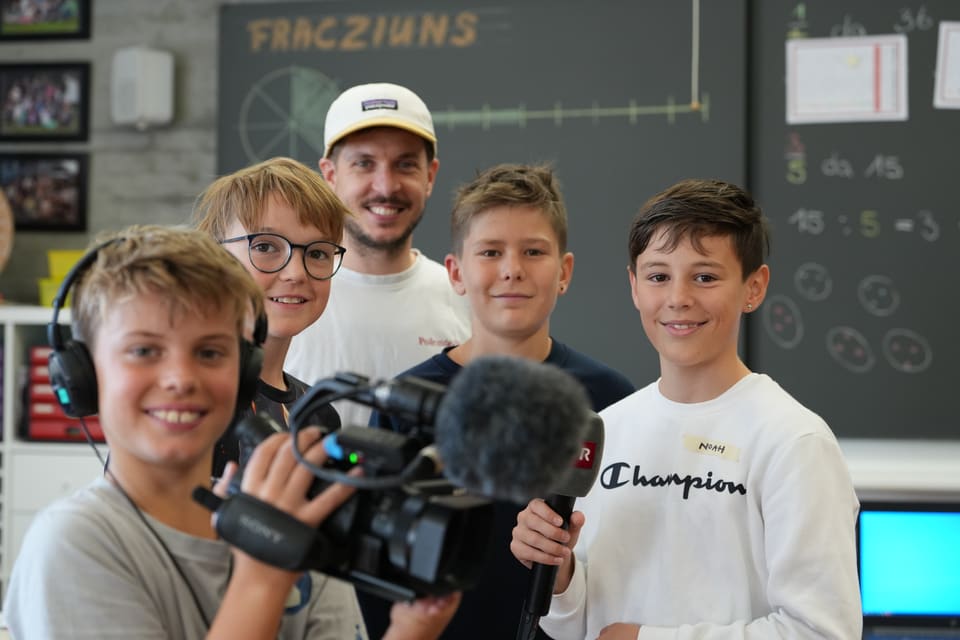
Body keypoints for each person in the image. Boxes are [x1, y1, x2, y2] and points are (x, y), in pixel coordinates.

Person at [2, 225, 459, 639]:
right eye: (144, 350)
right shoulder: (75, 542)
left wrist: (411, 631)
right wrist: (262, 577)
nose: (181, 377)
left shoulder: (293, 518)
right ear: (82, 377)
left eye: (210, 353)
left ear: (244, 375)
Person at [510, 178, 862, 639]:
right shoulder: (606, 429)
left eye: (705, 276)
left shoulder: (793, 441)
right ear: (634, 287)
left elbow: (822, 631)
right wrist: (560, 576)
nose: (678, 298)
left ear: (753, 287)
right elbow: (581, 625)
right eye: (658, 276)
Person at [364, 163, 635, 640]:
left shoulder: (613, 401)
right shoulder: (406, 403)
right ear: (456, 272)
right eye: (490, 251)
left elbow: (627, 564)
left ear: (564, 271)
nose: (512, 268)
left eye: (534, 251)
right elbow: (376, 575)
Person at [285, 82, 471, 428]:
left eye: (405, 165)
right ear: (329, 174)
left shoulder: (467, 300)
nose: (386, 187)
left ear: (430, 176)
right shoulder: (286, 298)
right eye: (364, 164)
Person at [193, 156, 349, 475]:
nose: (295, 273)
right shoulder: (190, 401)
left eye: (317, 252)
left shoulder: (319, 414)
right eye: (265, 247)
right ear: (213, 257)